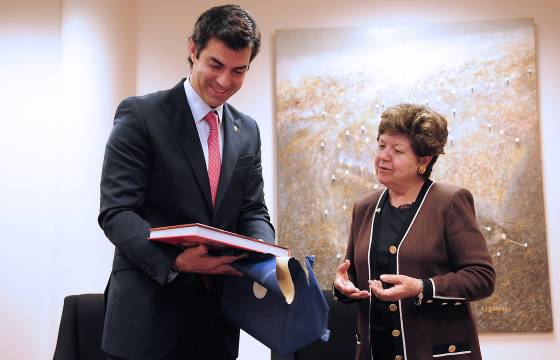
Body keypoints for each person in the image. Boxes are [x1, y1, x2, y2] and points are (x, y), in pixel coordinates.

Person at [98, 5, 274, 360]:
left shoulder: (247, 130)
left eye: (238, 71)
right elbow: (117, 212)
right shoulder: (141, 115)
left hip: (216, 324)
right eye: (215, 65)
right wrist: (175, 262)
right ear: (193, 49)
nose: (225, 81)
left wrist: (261, 250)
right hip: (147, 320)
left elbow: (253, 208)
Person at [333, 103, 495, 360]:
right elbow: (353, 273)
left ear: (424, 160)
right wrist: (343, 285)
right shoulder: (364, 207)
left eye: (396, 150)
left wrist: (422, 287)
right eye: (381, 145)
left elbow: (482, 278)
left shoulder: (450, 201)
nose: (383, 156)